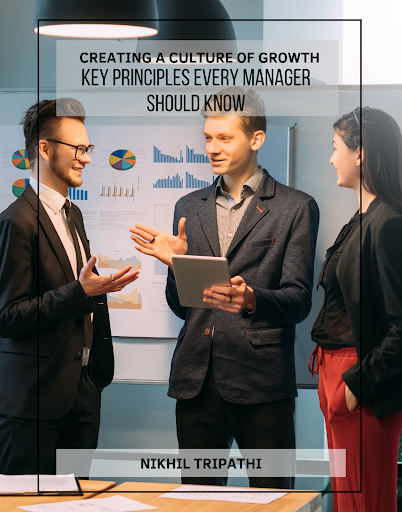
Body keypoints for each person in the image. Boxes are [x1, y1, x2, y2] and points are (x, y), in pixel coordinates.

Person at [130, 87, 319, 488]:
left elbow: (299, 300)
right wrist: (175, 266)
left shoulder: (295, 207)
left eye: (224, 137)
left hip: (262, 381)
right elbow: (182, 307)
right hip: (196, 380)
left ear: (256, 139)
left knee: (271, 499)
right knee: (198, 499)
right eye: (208, 137)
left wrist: (251, 298)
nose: (212, 148)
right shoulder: (188, 206)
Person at [0, 98, 139, 475]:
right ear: (45, 149)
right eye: (78, 149)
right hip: (34, 405)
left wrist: (95, 289)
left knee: (76, 499)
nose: (87, 158)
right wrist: (80, 293)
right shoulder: (16, 222)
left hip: (82, 396)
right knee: (29, 502)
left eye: (87, 148)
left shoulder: (72, 213)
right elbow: (7, 317)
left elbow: (76, 290)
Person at [309, 107, 402, 511]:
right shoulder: (363, 218)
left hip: (359, 379)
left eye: (336, 148)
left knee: (367, 504)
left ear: (360, 153)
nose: (332, 159)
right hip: (336, 371)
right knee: (348, 503)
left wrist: (355, 387)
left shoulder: (388, 222)